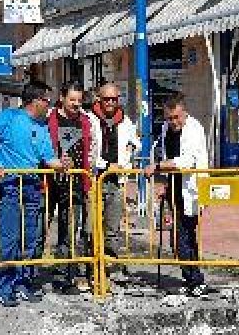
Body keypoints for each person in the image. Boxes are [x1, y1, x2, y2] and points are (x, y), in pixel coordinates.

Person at [0, 81, 68, 307]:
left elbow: (48, 158)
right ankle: (3, 288)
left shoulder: (42, 126)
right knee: (10, 239)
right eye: (47, 101)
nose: (50, 105)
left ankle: (24, 284)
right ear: (36, 101)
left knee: (31, 239)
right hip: (10, 185)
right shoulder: (9, 117)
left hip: (33, 185)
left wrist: (62, 164)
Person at [145, 95, 210, 296]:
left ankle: (196, 281)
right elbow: (168, 155)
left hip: (191, 189)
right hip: (175, 186)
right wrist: (165, 183)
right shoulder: (166, 129)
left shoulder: (194, 129)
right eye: (169, 118)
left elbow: (187, 161)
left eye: (177, 117)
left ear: (185, 113)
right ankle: (191, 279)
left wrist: (157, 167)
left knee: (184, 237)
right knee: (179, 237)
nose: (173, 122)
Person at [47, 81, 95, 294]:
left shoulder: (85, 121)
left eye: (79, 100)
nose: (76, 104)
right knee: (39, 230)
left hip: (75, 183)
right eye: (72, 99)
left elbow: (90, 150)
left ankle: (64, 276)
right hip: (48, 181)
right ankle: (27, 275)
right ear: (62, 98)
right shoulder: (49, 118)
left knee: (69, 231)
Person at [92, 82, 141, 283]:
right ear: (99, 99)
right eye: (107, 99)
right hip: (94, 179)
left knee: (112, 228)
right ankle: (92, 268)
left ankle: (111, 267)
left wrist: (130, 149)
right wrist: (106, 164)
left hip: (117, 181)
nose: (111, 102)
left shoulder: (125, 120)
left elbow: (136, 142)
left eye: (114, 99)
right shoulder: (90, 119)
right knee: (92, 228)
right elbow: (89, 150)